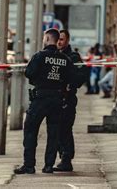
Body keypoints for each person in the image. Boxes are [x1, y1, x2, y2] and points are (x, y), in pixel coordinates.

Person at [14, 28, 75, 174]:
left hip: (40, 98)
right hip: (57, 99)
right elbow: (72, 79)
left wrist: (40, 79)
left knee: (30, 129)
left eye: (44, 38)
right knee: (53, 132)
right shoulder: (65, 60)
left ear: (47, 39)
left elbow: (29, 73)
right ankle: (48, 165)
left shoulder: (39, 56)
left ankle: (29, 165)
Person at [54, 30, 86, 172]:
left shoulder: (73, 57)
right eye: (57, 39)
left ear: (67, 40)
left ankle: (66, 159)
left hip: (67, 98)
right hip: (54, 98)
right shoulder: (53, 55)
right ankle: (62, 156)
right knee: (56, 129)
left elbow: (80, 76)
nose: (59, 42)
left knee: (65, 129)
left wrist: (68, 84)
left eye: (61, 39)